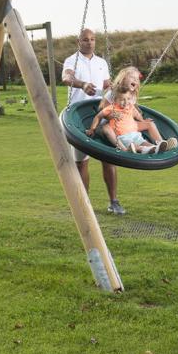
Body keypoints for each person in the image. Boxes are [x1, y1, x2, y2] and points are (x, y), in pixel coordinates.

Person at [62, 29, 123, 215]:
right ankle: (85, 205)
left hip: (100, 112)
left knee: (109, 158)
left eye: (92, 39)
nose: (89, 43)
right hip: (78, 116)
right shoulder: (72, 60)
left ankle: (114, 201)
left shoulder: (101, 62)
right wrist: (83, 85)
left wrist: (113, 87)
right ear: (78, 41)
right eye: (85, 40)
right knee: (81, 162)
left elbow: (106, 84)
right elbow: (66, 77)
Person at [92, 66, 177, 153]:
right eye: (133, 77)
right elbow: (104, 110)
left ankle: (161, 145)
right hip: (111, 125)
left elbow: (133, 112)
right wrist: (112, 115)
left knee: (150, 124)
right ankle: (125, 148)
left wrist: (142, 120)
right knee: (107, 128)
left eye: (137, 79)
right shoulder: (113, 93)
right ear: (123, 78)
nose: (136, 80)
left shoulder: (132, 95)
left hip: (127, 126)